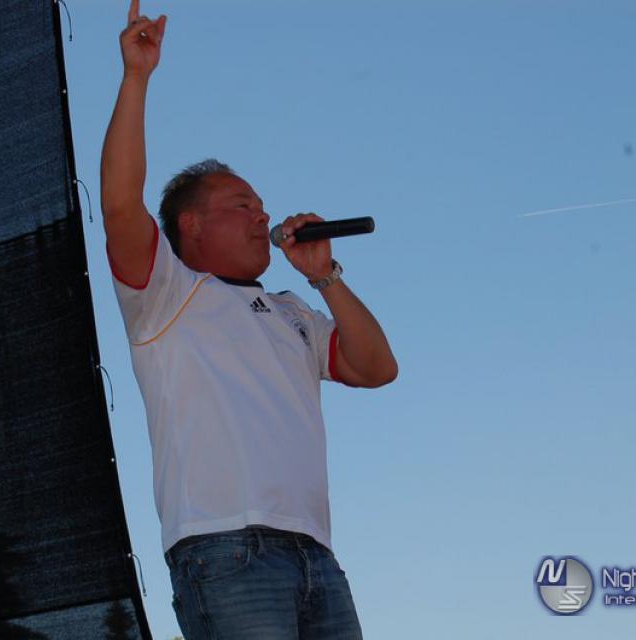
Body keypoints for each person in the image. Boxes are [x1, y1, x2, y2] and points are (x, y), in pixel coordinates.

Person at [100, 2, 398, 638]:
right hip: (225, 550)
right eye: (243, 205)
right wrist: (136, 77)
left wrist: (324, 275)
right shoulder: (166, 294)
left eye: (263, 205)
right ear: (191, 225)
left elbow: (378, 368)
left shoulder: (295, 312)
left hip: (318, 557)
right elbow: (121, 205)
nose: (263, 216)